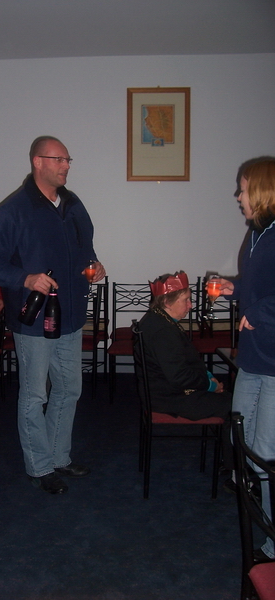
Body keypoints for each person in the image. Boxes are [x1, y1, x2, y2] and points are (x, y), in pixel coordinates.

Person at [0, 135, 106, 494]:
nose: (66, 166)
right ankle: (39, 466)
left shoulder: (73, 204)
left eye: (67, 160)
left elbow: (86, 248)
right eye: (58, 159)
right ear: (38, 162)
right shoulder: (13, 210)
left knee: (69, 389)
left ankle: (59, 457)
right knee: (35, 395)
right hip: (34, 320)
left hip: (71, 315)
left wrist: (94, 265)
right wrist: (25, 278)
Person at [215, 159, 275, 561]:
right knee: (243, 439)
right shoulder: (256, 233)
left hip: (273, 362)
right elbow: (257, 287)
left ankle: (272, 543)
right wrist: (232, 289)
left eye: (243, 188)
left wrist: (261, 312)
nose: (238, 196)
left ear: (263, 190)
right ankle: (257, 501)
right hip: (253, 357)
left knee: (266, 453)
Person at [137, 271, 233, 471]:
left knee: (232, 400)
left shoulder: (159, 320)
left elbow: (184, 364)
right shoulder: (163, 331)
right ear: (167, 302)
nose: (190, 305)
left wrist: (207, 377)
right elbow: (180, 377)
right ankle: (236, 470)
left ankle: (231, 461)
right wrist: (210, 386)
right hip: (171, 397)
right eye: (186, 300)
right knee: (236, 407)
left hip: (167, 391)